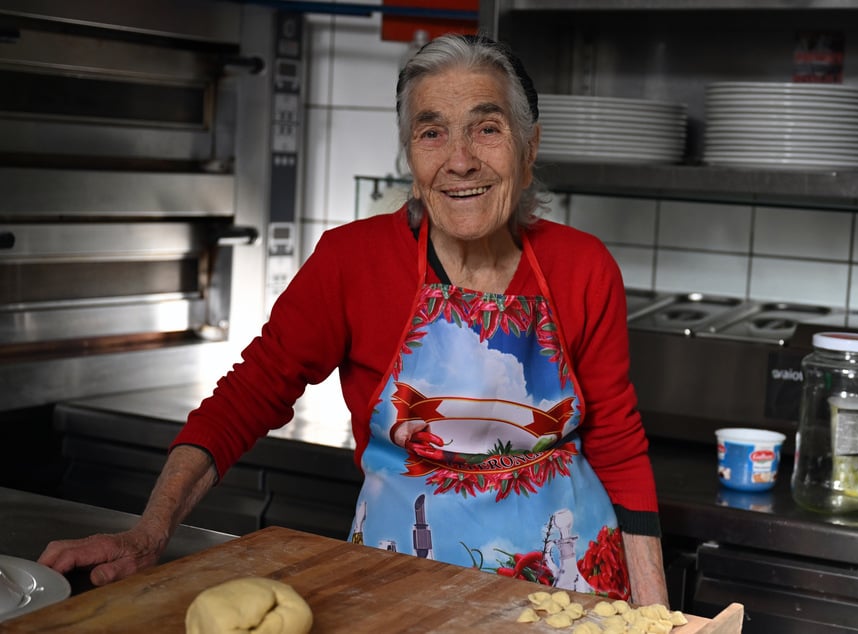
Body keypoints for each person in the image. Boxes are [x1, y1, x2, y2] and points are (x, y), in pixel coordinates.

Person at [38, 33, 669, 606]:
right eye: (431, 133)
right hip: (399, 583)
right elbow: (248, 395)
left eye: (486, 129)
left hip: (568, 586)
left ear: (528, 151)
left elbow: (617, 444)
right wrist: (149, 533)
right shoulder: (352, 261)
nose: (460, 160)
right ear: (410, 159)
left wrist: (657, 617)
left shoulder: (583, 267)